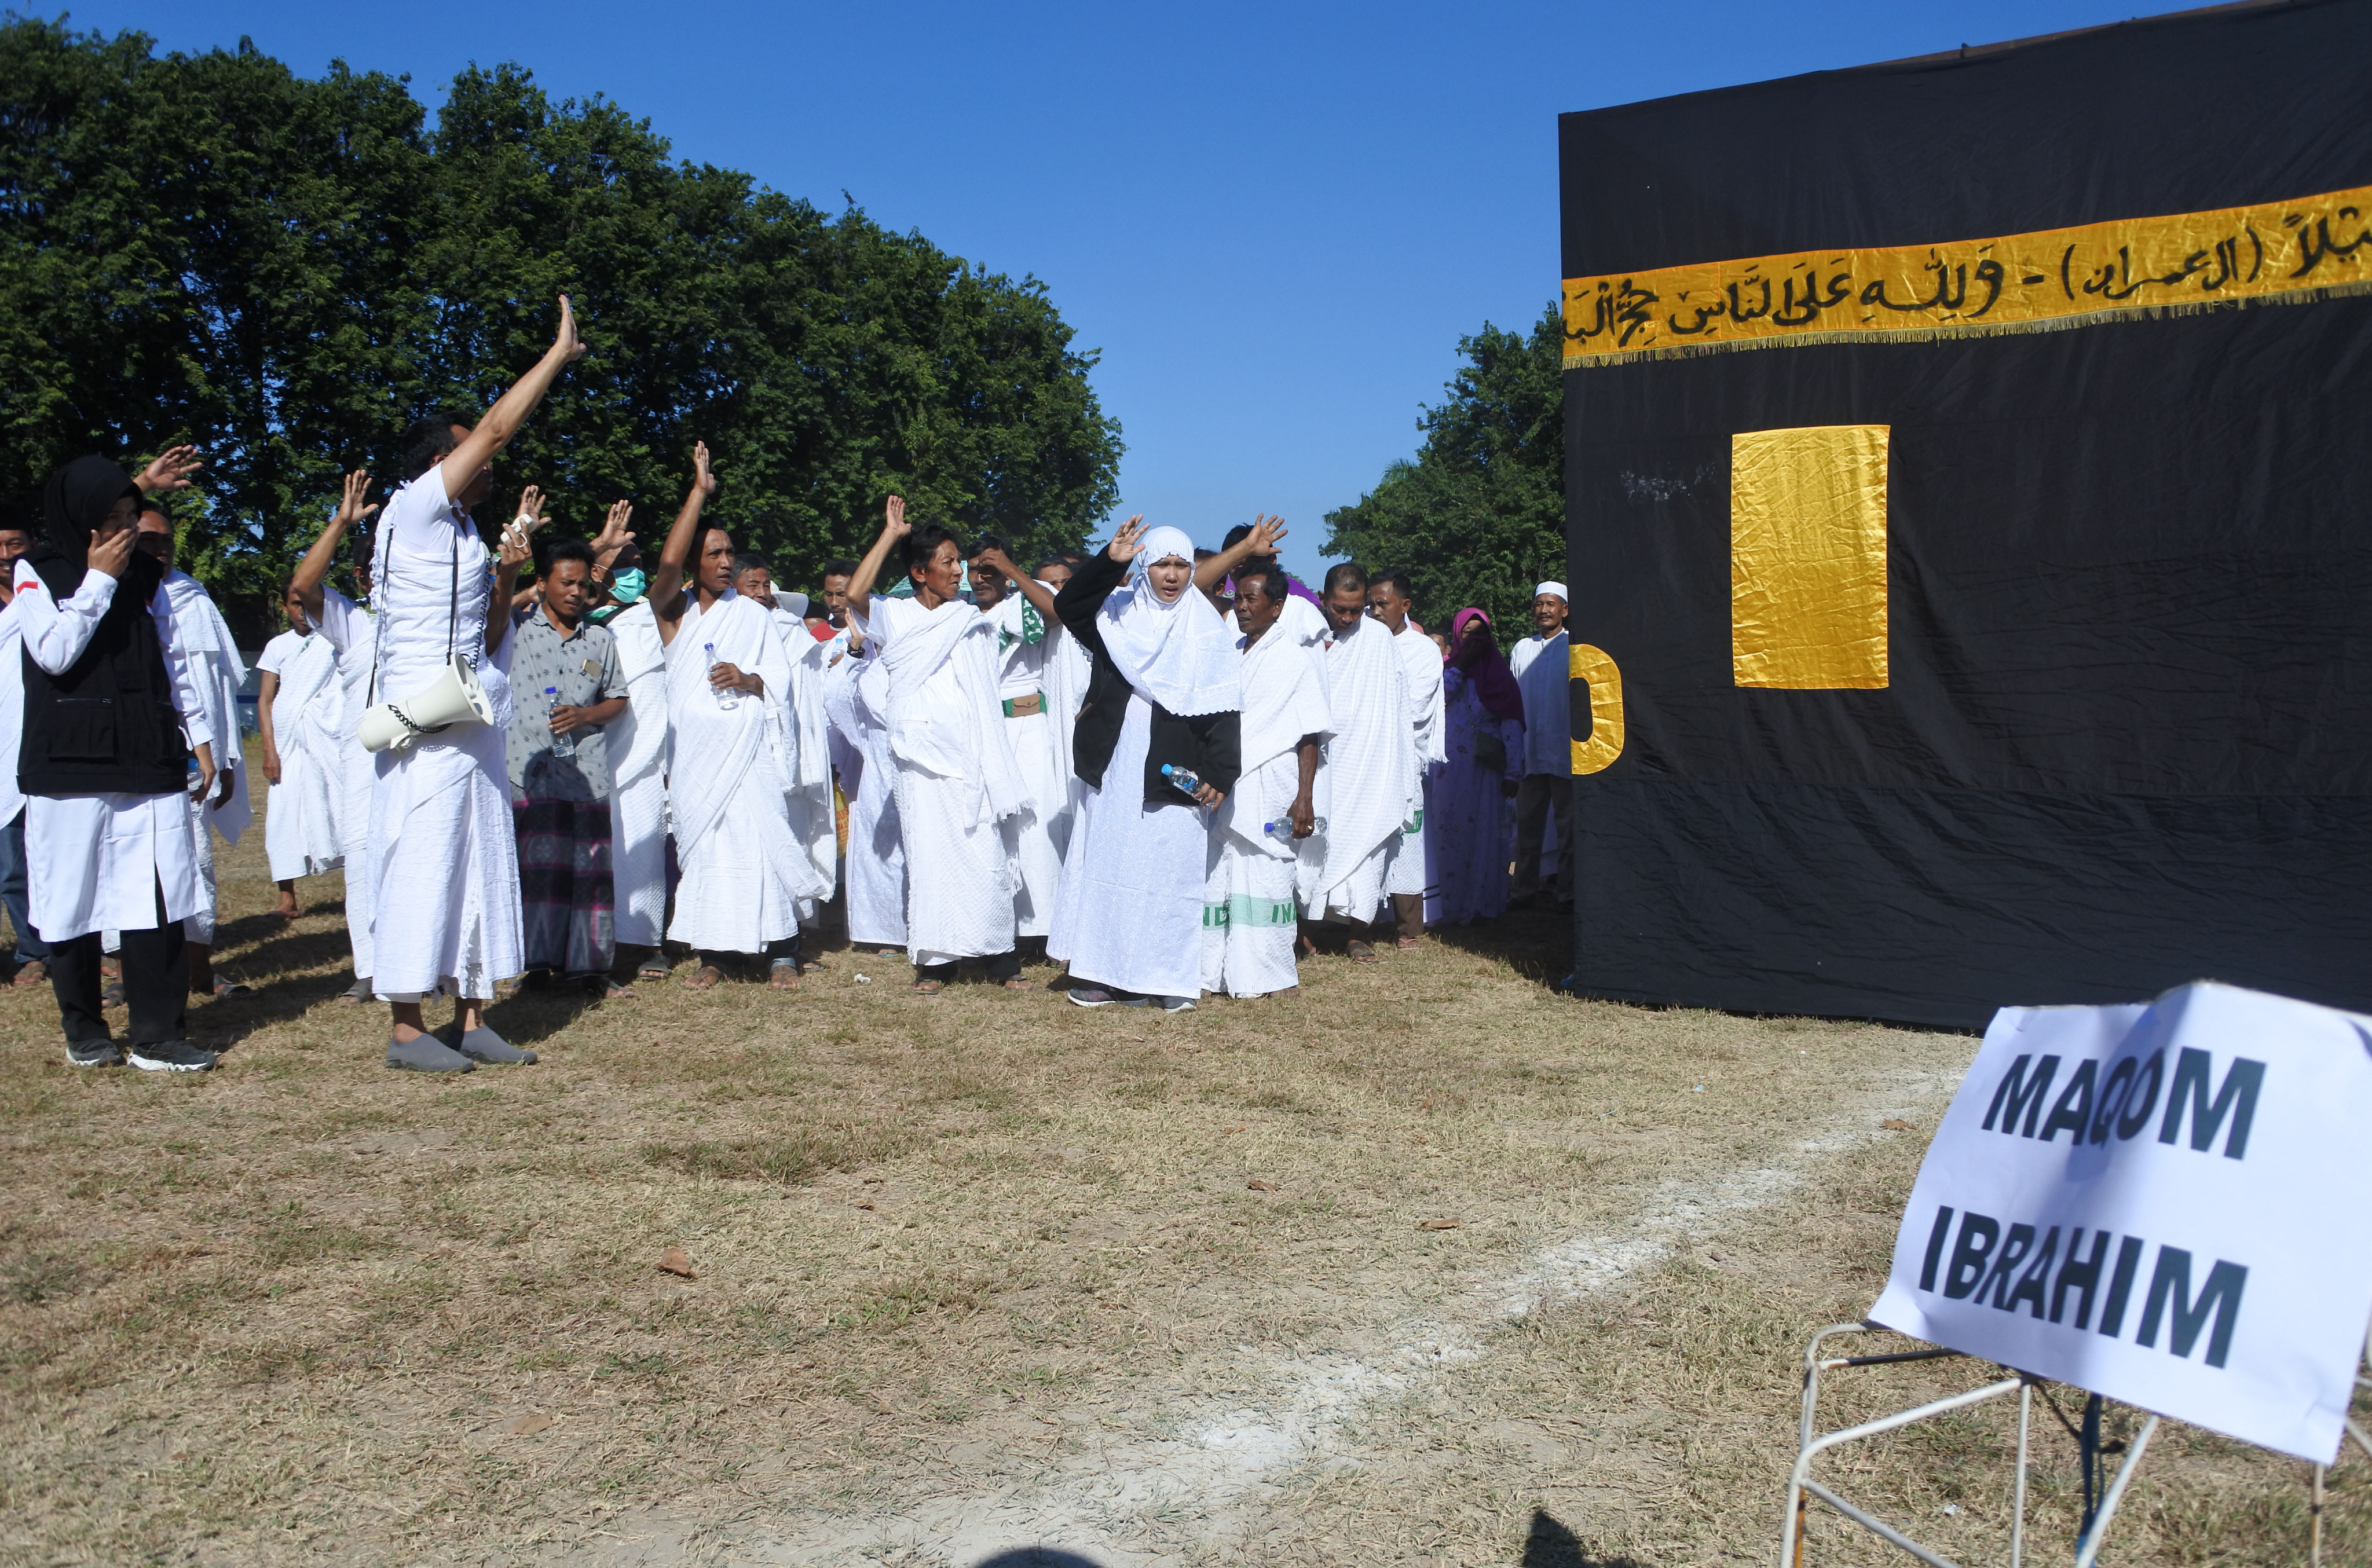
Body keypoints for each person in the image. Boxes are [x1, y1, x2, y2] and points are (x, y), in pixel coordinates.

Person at [358, 295, 584, 1072]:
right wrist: (556, 356)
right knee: (424, 855)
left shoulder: (462, 533)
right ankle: (405, 1026)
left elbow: (490, 634)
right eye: (469, 457)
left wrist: (509, 576)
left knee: (480, 856)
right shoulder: (415, 510)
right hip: (424, 720)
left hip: (475, 712)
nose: (490, 462)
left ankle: (475, 1013)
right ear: (436, 467)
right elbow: (492, 427)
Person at [16, 456, 220, 1070]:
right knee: (71, 903)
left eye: (131, 518)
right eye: (111, 520)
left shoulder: (148, 578)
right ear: (80, 524)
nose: (125, 532)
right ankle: (86, 1029)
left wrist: (201, 738)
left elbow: (174, 661)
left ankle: (159, 1034)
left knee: (157, 898)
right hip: (71, 767)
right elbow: (52, 652)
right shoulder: (39, 571)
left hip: (147, 760)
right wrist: (97, 582)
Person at [649, 444, 826, 990]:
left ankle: (782, 952)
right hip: (698, 760)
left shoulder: (753, 615)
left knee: (762, 840)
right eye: (715, 554)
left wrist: (747, 680)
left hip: (749, 755)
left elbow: (779, 680)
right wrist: (698, 494)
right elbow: (667, 566)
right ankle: (717, 955)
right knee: (708, 851)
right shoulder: (673, 611)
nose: (727, 562)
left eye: (730, 553)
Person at [1049, 519, 1241, 1010]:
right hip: (1115, 763)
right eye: (1161, 564)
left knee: (1169, 872)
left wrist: (1221, 774)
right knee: (1111, 866)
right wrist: (1108, 560)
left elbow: (1223, 708)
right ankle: (1102, 976)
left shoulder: (1206, 629)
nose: (1172, 575)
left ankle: (1165, 980)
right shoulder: (1116, 616)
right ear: (1144, 567)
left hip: (1176, 769)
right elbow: (1068, 606)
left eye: (1181, 565)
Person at [845, 499, 1028, 992]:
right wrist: (889, 534)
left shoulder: (967, 620)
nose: (958, 571)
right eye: (947, 562)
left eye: (958, 561)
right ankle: (937, 965)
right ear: (920, 572)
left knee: (984, 854)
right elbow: (855, 593)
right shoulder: (896, 615)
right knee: (930, 860)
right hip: (920, 763)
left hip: (970, 761)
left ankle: (1000, 960)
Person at [134, 502, 252, 995]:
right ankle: (128, 974)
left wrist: (222, 759)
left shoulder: (194, 599)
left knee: (197, 862)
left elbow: (215, 687)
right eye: (148, 540)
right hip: (132, 757)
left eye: (166, 540)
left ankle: (200, 969)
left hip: (192, 759)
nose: (160, 549)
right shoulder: (111, 598)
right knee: (132, 867)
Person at [505, 537, 630, 994]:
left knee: (589, 873)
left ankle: (590, 969)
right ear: (541, 585)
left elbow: (618, 698)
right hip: (530, 769)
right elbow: (497, 602)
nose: (577, 592)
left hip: (587, 772)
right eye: (566, 582)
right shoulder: (515, 632)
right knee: (537, 872)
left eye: (582, 584)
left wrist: (586, 716)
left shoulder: (600, 639)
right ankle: (536, 967)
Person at [1202, 563, 1327, 999]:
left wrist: (1305, 797)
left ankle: (1273, 974)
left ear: (1277, 607)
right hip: (1225, 781)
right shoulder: (1227, 652)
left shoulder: (1294, 658)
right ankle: (1213, 973)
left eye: (1251, 599)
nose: (1240, 606)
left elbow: (1310, 732)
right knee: (1218, 873)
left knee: (1270, 872)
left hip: (1272, 778)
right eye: (1237, 598)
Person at [289, 470, 385, 999]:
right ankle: (370, 968)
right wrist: (342, 521)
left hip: (424, 751)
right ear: (362, 575)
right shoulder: (355, 622)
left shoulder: (432, 622)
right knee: (365, 856)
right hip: (364, 760)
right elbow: (303, 588)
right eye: (378, 568)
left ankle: (426, 969)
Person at [1301, 562, 1415, 961]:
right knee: (1315, 844)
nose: (1348, 617)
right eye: (1339, 609)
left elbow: (1397, 705)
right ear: (1322, 599)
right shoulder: (1307, 636)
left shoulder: (1380, 638)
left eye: (1356, 609)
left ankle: (1356, 934)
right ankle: (1307, 930)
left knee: (1369, 843)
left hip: (1370, 761)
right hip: (1324, 762)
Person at [967, 536, 1070, 940]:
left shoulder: (1021, 602)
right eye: (975, 569)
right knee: (992, 828)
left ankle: (1044, 928)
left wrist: (1011, 569)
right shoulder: (961, 616)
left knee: (1035, 825)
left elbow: (1056, 614)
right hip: (984, 733)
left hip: (1027, 727)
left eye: (990, 570)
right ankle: (1000, 922)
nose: (981, 578)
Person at [595, 539, 672, 980]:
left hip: (645, 757)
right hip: (595, 752)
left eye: (638, 563)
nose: (634, 572)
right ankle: (596, 938)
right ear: (598, 572)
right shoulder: (585, 624)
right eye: (624, 564)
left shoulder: (653, 615)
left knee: (643, 848)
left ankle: (644, 942)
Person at [254, 582, 345, 914]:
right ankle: (287, 898)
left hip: (328, 735)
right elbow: (266, 700)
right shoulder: (278, 646)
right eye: (294, 605)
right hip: (289, 740)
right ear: (284, 607)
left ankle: (357, 884)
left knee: (340, 806)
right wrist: (269, 750)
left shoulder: (334, 640)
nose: (301, 611)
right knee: (282, 815)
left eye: (306, 604)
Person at [1432, 610, 1526, 924]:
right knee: (1449, 835)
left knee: (1484, 836)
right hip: (1448, 772)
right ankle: (1449, 906)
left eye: (1479, 634)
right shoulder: (1446, 671)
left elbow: (1512, 724)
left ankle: (1483, 904)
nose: (1474, 642)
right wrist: (1460, 667)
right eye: (1467, 634)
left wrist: (1513, 771)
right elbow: (1436, 700)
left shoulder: (1500, 678)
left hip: (1486, 772)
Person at [1367, 569, 1443, 947]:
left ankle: (1408, 929)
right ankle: (1354, 923)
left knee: (1405, 844)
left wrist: (1368, 712)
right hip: (1363, 760)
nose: (1376, 611)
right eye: (1372, 604)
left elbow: (1413, 708)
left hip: (1402, 761)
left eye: (1384, 603)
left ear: (1405, 605)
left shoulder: (1424, 650)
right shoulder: (1360, 644)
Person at [1509, 581, 1573, 907]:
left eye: (1551, 604)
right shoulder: (1522, 648)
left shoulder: (1575, 647)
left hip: (1565, 753)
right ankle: (1524, 890)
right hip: (1529, 752)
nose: (1544, 610)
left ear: (1565, 610)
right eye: (1539, 604)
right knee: (1527, 828)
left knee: (1569, 830)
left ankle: (1568, 893)